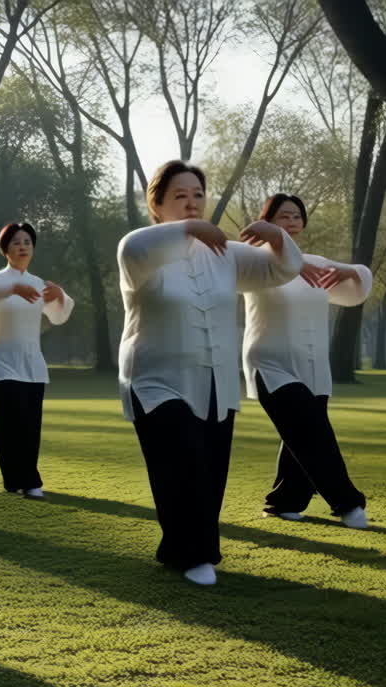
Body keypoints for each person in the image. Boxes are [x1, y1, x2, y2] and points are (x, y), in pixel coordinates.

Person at [116, 161, 302, 586]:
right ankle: (194, 554)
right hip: (154, 378)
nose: (191, 203)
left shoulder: (226, 255)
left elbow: (282, 269)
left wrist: (276, 237)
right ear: (158, 206)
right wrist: (187, 231)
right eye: (179, 196)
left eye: (197, 195)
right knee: (181, 463)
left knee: (211, 468)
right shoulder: (141, 250)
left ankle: (178, 546)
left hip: (214, 379)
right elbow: (135, 250)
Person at [242, 193, 372, 528]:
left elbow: (356, 290)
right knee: (314, 435)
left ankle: (283, 502)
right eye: (283, 216)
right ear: (268, 221)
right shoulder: (256, 262)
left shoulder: (314, 261)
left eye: (297, 216)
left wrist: (342, 268)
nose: (292, 221)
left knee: (300, 438)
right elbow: (254, 263)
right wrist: (279, 246)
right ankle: (348, 503)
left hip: (314, 368)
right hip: (270, 363)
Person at [0, 222, 74, 498]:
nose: (23, 246)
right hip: (2, 362)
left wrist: (61, 295)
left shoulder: (38, 284)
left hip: (32, 363)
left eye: (27, 242)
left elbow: (58, 316)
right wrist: (12, 289)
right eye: (16, 242)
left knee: (30, 424)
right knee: (7, 425)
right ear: (5, 249)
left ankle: (30, 480)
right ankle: (14, 479)